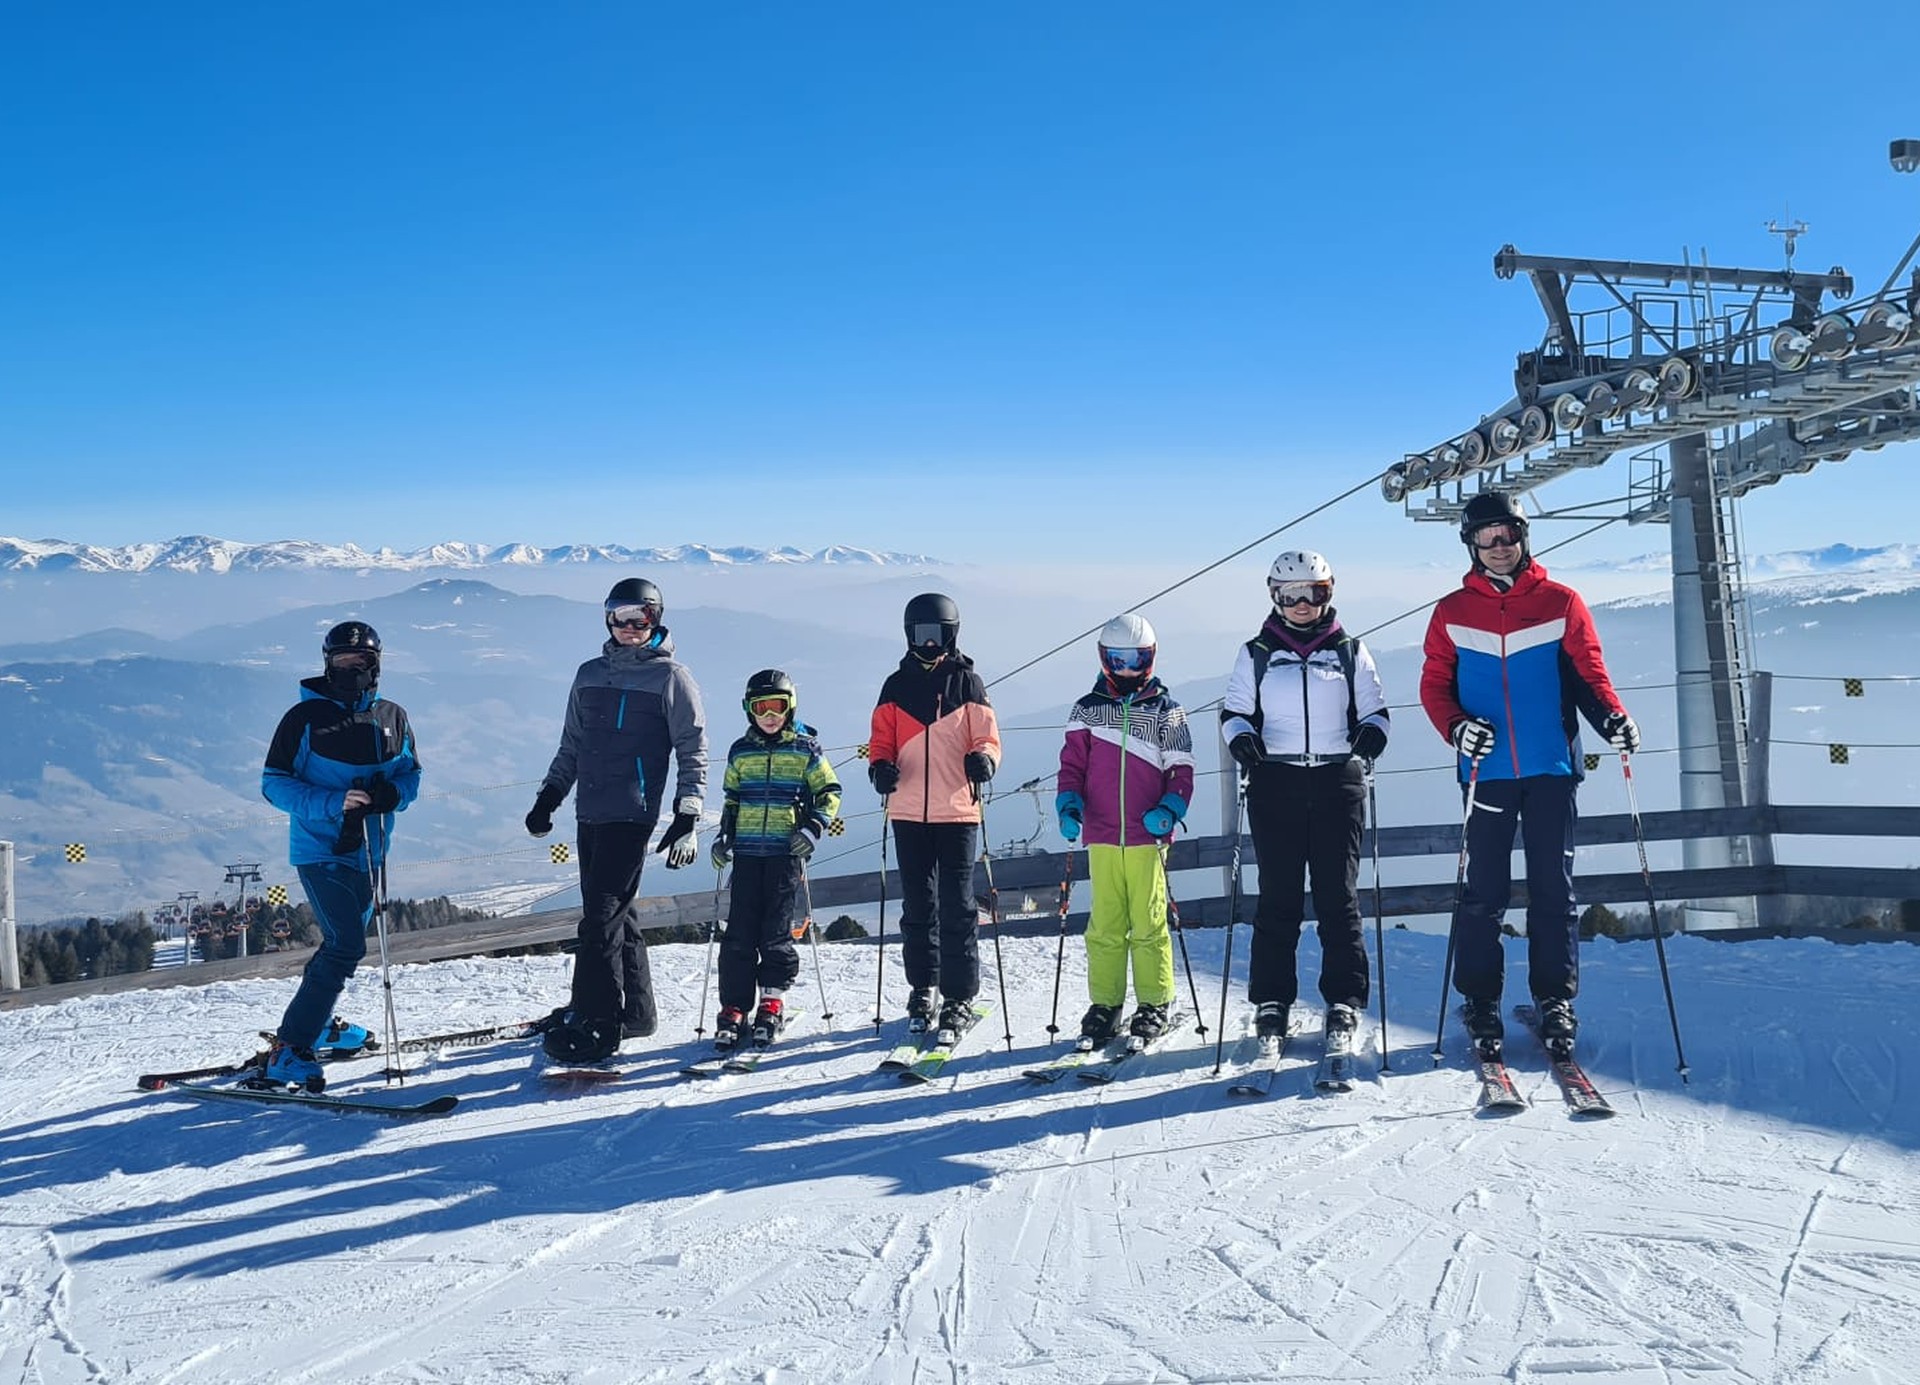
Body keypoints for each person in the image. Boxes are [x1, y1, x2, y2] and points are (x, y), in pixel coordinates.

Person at [1419, 490, 1638, 1055]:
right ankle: (1480, 998)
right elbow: (1434, 686)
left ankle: (1554, 998)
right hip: (1485, 772)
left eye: (1507, 534)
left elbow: (1590, 675)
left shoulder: (1561, 601)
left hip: (1551, 767)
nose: (1498, 546)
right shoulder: (1450, 612)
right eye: (1486, 537)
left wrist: (1612, 718)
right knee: (1482, 894)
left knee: (1553, 892)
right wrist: (1456, 727)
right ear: (1471, 544)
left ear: (1523, 537)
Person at [525, 577, 708, 1064]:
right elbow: (572, 744)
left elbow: (693, 751)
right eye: (618, 616)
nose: (628, 626)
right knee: (616, 914)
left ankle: (599, 1021)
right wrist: (550, 796)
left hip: (634, 810)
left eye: (639, 617)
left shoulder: (672, 678)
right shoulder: (588, 674)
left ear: (656, 619)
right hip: (591, 809)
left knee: (599, 916)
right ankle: (638, 1012)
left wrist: (687, 812)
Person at [1218, 551, 1390, 1049]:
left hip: (1337, 778)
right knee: (1279, 897)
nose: (1300, 604)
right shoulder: (1256, 652)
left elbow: (1376, 709)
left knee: (1339, 897)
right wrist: (1242, 740)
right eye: (1290, 594)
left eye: (1312, 593)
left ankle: (1343, 1000)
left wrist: (1372, 735)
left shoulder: (1350, 651)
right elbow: (1234, 711)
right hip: (1276, 781)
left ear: (1328, 593)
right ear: (1274, 595)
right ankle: (1272, 1000)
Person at [259, 620, 422, 1090]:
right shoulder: (302, 719)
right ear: (327, 665)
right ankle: (291, 1048)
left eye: (362, 662)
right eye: (342, 662)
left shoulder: (393, 716)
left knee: (341, 946)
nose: (352, 670)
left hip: (372, 848)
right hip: (319, 849)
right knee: (347, 943)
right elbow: (274, 785)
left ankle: (319, 1021)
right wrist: (334, 804)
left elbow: (412, 773)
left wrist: (394, 793)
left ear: (376, 665)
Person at [1054, 614, 1195, 1044]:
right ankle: (1106, 1003)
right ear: (1104, 658)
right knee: (1106, 923)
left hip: (1145, 836)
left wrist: (1169, 808)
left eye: (1137, 659)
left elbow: (1182, 770)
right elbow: (1072, 766)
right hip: (1100, 832)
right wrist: (1068, 803)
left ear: (1150, 659)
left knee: (1148, 921)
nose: (1128, 669)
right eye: (1118, 659)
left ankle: (1154, 1001)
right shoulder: (1087, 710)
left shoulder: (1166, 712)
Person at [867, 592, 1002, 1038]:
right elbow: (881, 742)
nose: (929, 645)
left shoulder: (968, 683)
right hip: (908, 810)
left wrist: (984, 760)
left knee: (957, 905)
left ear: (952, 635)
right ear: (909, 636)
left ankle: (959, 992)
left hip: (957, 811)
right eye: (922, 636)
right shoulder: (895, 686)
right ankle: (923, 985)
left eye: (937, 636)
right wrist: (879, 769)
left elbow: (987, 738)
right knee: (918, 905)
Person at [707, 670, 843, 1049]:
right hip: (748, 854)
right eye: (761, 707)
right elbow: (732, 799)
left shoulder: (805, 749)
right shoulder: (741, 751)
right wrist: (724, 838)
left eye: (777, 707)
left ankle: (772, 999)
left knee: (775, 931)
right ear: (749, 710)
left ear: (790, 707)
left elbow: (829, 791)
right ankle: (734, 1007)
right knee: (738, 934)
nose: (769, 715)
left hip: (785, 854)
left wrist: (811, 829)